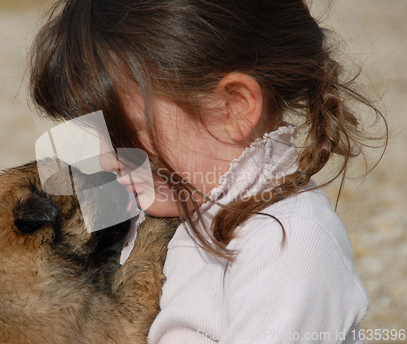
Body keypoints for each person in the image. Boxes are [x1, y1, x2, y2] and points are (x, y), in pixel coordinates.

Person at [28, 0, 386, 342]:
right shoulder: (166, 202)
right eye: (95, 132)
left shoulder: (287, 244)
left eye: (129, 129)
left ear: (234, 107)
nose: (105, 160)